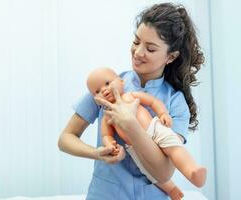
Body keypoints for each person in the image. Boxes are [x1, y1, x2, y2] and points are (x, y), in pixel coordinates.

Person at [58, 2, 204, 200]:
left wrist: (129, 124)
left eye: (150, 49)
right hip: (105, 194)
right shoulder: (107, 86)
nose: (138, 52)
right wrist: (97, 153)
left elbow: (164, 172)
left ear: (170, 57)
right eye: (136, 42)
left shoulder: (175, 102)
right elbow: (66, 138)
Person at [86, 67, 206, 199]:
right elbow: (106, 135)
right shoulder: (107, 115)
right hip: (135, 147)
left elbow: (153, 101)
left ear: (121, 81)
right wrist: (110, 145)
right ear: (95, 98)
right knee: (148, 172)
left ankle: (192, 171)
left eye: (108, 84)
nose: (104, 90)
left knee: (173, 147)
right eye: (97, 91)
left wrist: (163, 113)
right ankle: (171, 189)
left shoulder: (130, 96)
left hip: (155, 129)